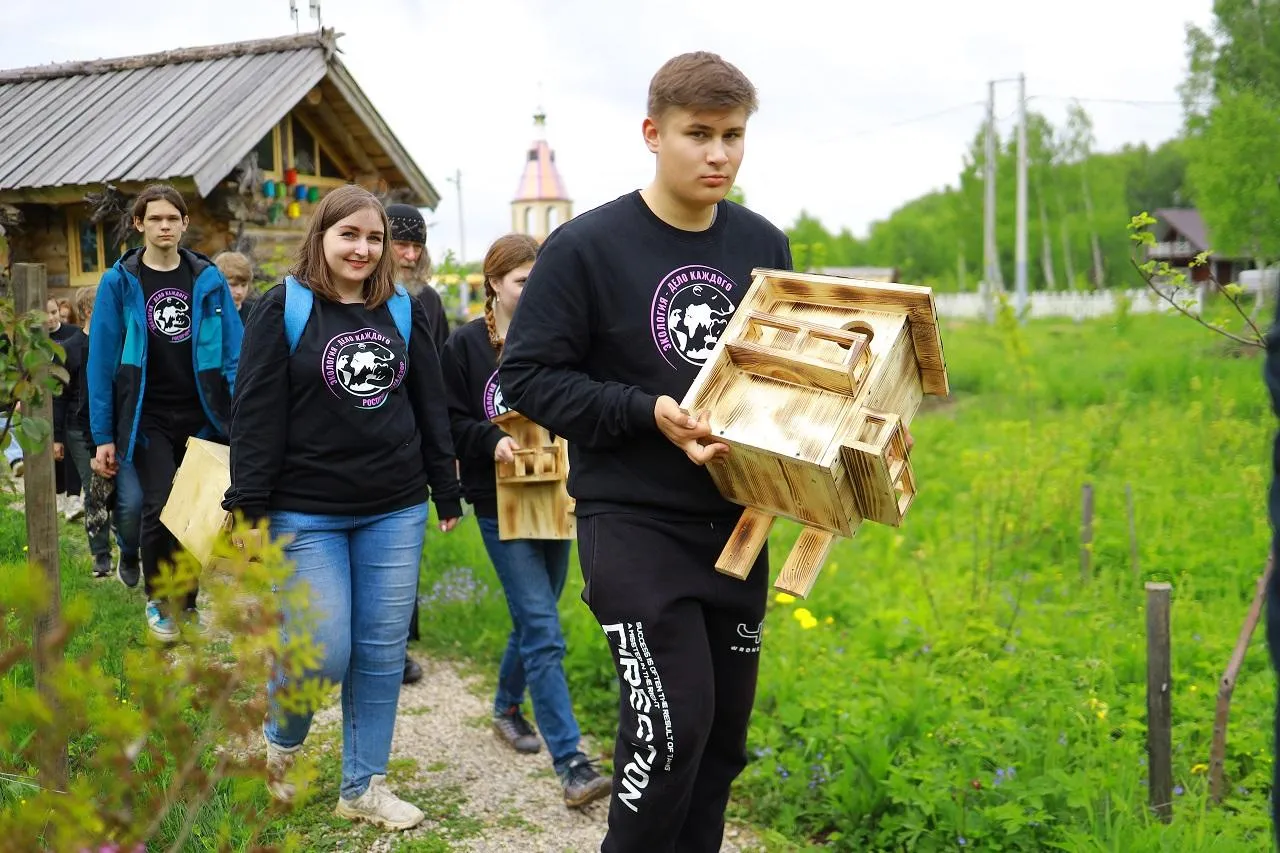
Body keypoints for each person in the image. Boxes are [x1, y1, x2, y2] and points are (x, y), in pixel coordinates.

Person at [499, 53, 792, 852]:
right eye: (699, 134)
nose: (719, 154)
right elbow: (526, 376)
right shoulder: (588, 248)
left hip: (738, 527)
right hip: (631, 520)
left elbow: (784, 378)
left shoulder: (765, 246)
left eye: (733, 135)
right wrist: (643, 410)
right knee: (669, 733)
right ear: (653, 133)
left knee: (721, 742)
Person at [223, 185, 463, 831]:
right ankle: (283, 739)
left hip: (394, 506)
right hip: (305, 510)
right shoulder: (285, 307)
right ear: (322, 237)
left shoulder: (402, 309)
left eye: (375, 237)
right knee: (323, 651)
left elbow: (429, 404)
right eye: (348, 235)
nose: (362, 248)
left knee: (382, 650)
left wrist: (445, 486)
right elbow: (255, 411)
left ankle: (362, 786)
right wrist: (248, 505)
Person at [441, 233, 612, 808]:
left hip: (556, 494)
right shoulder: (466, 346)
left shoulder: (561, 339)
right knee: (542, 628)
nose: (533, 290)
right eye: (521, 281)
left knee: (533, 615)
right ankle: (572, 763)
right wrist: (487, 440)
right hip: (497, 501)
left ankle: (505, 707)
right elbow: (446, 417)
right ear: (494, 284)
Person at [87, 183, 243, 642]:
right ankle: (158, 601)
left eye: (172, 218)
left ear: (184, 224)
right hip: (146, 416)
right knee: (157, 508)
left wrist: (242, 417)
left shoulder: (207, 279)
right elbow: (101, 360)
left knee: (198, 512)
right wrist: (102, 434)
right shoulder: (121, 281)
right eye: (154, 218)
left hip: (203, 416)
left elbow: (234, 354)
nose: (164, 226)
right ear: (139, 225)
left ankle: (188, 602)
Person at [386, 201, 451, 685]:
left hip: (407, 446)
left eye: (416, 246)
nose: (409, 255)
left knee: (403, 556)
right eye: (401, 244)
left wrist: (442, 460)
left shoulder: (427, 301)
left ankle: (398, 647)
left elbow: (438, 382)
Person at [74, 284, 143, 582]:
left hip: (134, 434)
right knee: (99, 497)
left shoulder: (132, 342)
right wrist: (94, 447)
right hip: (96, 435)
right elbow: (85, 401)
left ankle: (130, 547)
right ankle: (102, 555)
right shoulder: (89, 348)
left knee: (132, 501)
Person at [47, 297, 87, 522]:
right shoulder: (35, 340)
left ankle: (72, 497)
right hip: (41, 401)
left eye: (54, 312)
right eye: (46, 314)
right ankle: (59, 494)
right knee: (53, 451)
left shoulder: (72, 334)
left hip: (65, 397)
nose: (51, 318)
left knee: (67, 451)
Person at [215, 250, 258, 324]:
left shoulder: (255, 313)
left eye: (244, 285)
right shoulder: (210, 314)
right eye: (233, 285)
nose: (239, 292)